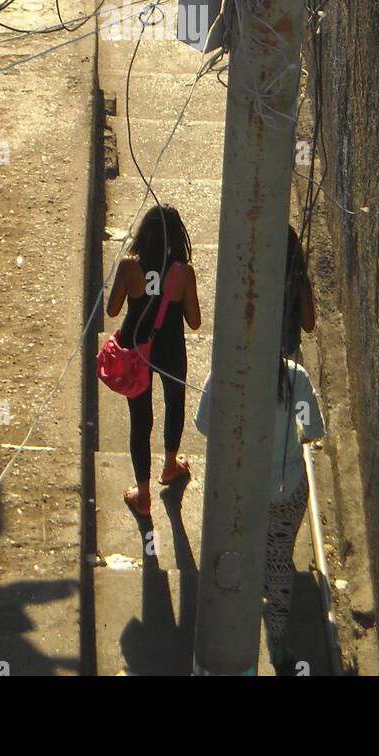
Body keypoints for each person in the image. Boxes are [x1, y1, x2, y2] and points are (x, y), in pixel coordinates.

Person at [195, 225, 323, 671]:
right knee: (278, 560)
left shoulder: (228, 372)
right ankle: (279, 638)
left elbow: (205, 424)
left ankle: (239, 631)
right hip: (286, 489)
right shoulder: (298, 380)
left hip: (242, 486)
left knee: (245, 555)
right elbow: (313, 430)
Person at [106, 204, 201, 518]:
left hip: (138, 352)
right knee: (174, 404)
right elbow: (195, 321)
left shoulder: (129, 267)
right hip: (171, 348)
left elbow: (112, 310)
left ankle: (143, 495)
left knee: (140, 421)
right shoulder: (183, 273)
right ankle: (171, 465)